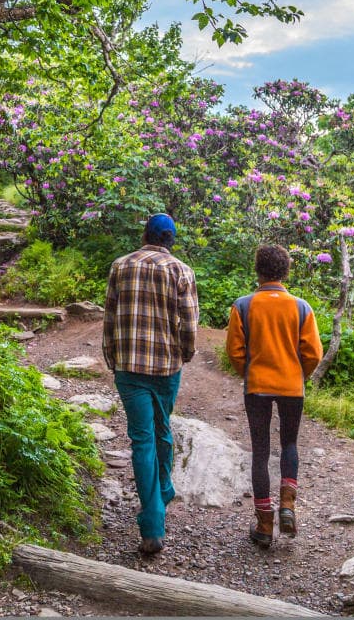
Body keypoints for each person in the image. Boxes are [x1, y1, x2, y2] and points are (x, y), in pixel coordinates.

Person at [102, 213, 199, 556]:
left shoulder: (120, 266)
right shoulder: (181, 271)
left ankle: (154, 518)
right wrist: (185, 355)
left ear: (144, 234)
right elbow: (188, 324)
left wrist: (111, 356)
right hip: (165, 368)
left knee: (141, 440)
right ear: (171, 240)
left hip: (128, 367)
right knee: (162, 431)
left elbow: (110, 317)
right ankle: (159, 504)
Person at [225, 243, 323, 548]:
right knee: (290, 443)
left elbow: (234, 351)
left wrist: (249, 372)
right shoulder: (301, 307)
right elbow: (314, 353)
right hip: (292, 386)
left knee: (261, 452)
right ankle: (288, 507)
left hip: (257, 386)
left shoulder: (243, 306)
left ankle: (265, 524)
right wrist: (299, 373)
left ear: (258, 270)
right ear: (286, 271)